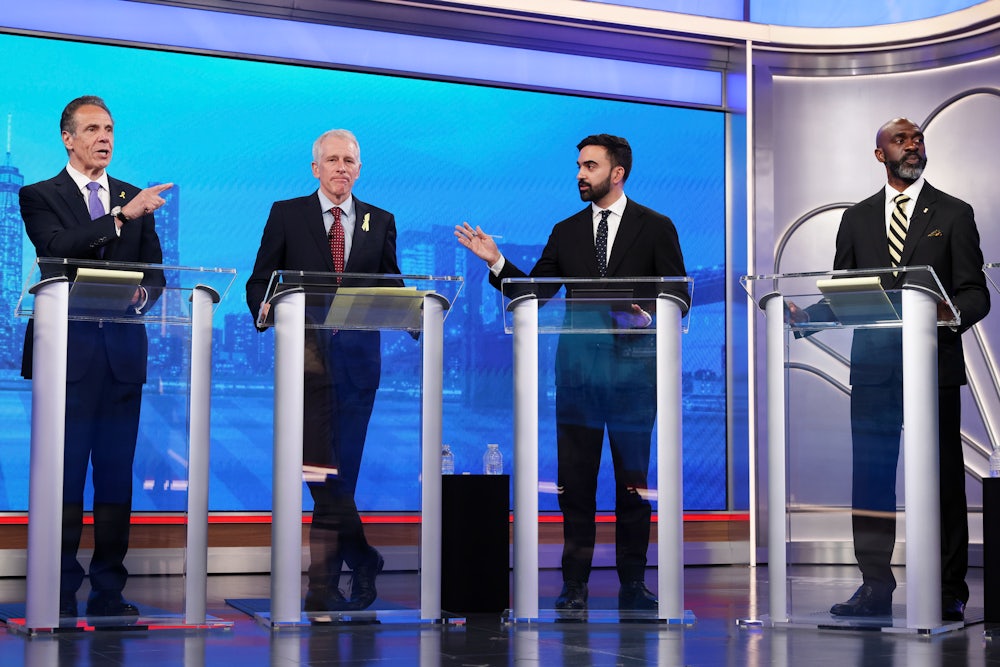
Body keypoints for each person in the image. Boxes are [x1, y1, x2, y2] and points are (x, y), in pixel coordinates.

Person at [455, 133, 689, 611]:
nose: (580, 174)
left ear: (617, 172)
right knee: (575, 486)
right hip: (579, 378)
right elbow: (536, 293)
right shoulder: (566, 231)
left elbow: (680, 295)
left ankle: (633, 585)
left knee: (634, 488)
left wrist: (644, 314)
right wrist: (496, 261)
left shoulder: (656, 227)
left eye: (589, 166)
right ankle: (575, 586)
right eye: (579, 166)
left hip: (632, 379)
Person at [790, 118, 989, 622]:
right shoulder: (856, 219)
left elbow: (975, 293)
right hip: (875, 372)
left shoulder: (954, 213)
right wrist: (803, 319)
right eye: (901, 140)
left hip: (932, 369)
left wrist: (949, 313)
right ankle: (875, 587)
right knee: (872, 481)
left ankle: (949, 591)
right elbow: (845, 293)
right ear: (880, 154)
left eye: (917, 138)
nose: (913, 145)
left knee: (943, 481)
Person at [20, 95, 171, 618]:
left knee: (114, 476)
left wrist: (143, 295)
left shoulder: (136, 196)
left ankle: (109, 588)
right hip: (67, 356)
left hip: (122, 357)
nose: (104, 137)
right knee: (62, 477)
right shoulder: (39, 194)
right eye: (92, 129)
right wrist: (119, 217)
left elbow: (155, 273)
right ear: (68, 137)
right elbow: (57, 248)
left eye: (109, 128)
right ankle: (58, 587)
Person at [246, 129, 401, 612]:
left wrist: (418, 314)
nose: (340, 168)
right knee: (319, 473)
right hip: (307, 364)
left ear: (359, 168)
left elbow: (391, 283)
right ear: (315, 167)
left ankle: (323, 585)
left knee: (343, 477)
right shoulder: (286, 214)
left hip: (358, 368)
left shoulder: (382, 220)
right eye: (331, 160)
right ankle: (362, 559)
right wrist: (264, 308)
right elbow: (259, 280)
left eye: (348, 160)